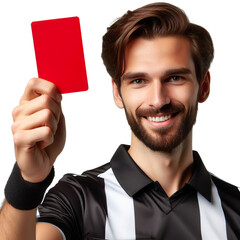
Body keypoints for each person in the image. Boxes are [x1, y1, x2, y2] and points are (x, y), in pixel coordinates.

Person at [0, 2, 239, 240]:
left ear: (204, 86)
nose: (158, 100)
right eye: (138, 81)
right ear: (117, 92)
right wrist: (28, 180)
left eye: (174, 78)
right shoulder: (80, 199)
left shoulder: (235, 209)